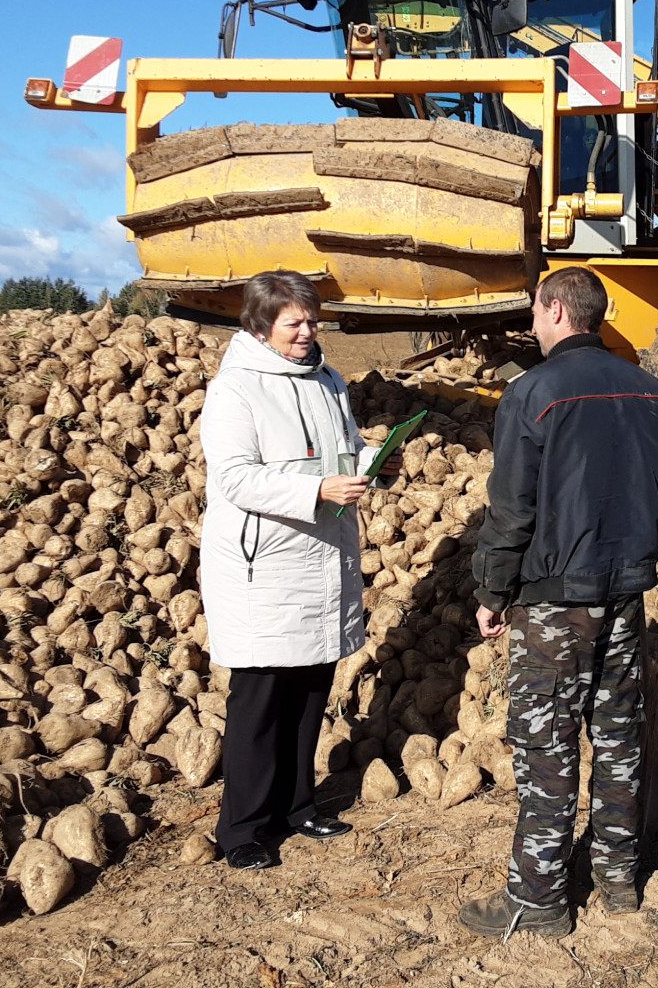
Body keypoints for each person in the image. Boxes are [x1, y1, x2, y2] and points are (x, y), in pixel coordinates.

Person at [458, 267, 658, 939]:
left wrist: (491, 589)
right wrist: (641, 539)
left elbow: (511, 509)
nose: (532, 326)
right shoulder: (653, 392)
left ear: (558, 310)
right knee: (620, 737)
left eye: (536, 313)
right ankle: (618, 879)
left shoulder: (532, 393)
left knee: (547, 746)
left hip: (554, 601)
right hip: (624, 594)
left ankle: (539, 900)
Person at [198, 270, 397, 870]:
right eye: (295, 324)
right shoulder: (234, 390)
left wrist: (371, 462)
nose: (310, 331)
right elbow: (235, 476)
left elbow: (341, 448)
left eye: (312, 320)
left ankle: (297, 805)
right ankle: (243, 829)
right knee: (261, 700)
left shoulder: (326, 379)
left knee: (311, 688)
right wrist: (316, 489)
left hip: (321, 554)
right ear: (260, 327)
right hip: (268, 563)